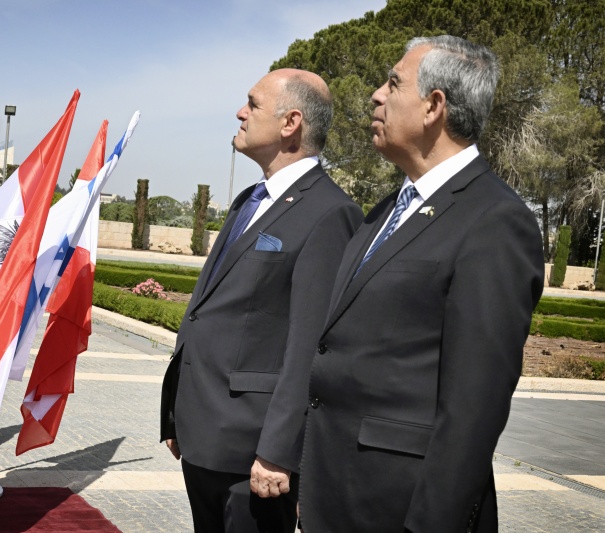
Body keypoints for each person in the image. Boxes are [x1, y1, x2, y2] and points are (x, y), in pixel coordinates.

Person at [299, 35, 544, 532]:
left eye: (393, 83)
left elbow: (473, 410)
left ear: (435, 106)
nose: (376, 95)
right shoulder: (385, 213)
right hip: (335, 495)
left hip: (401, 509)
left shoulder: (494, 221)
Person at [160, 68, 363, 532]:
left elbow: (309, 345)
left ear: (290, 122)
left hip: (253, 453)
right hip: (204, 433)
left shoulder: (331, 213)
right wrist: (176, 411)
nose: (240, 112)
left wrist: (278, 449)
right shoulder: (250, 200)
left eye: (252, 104)